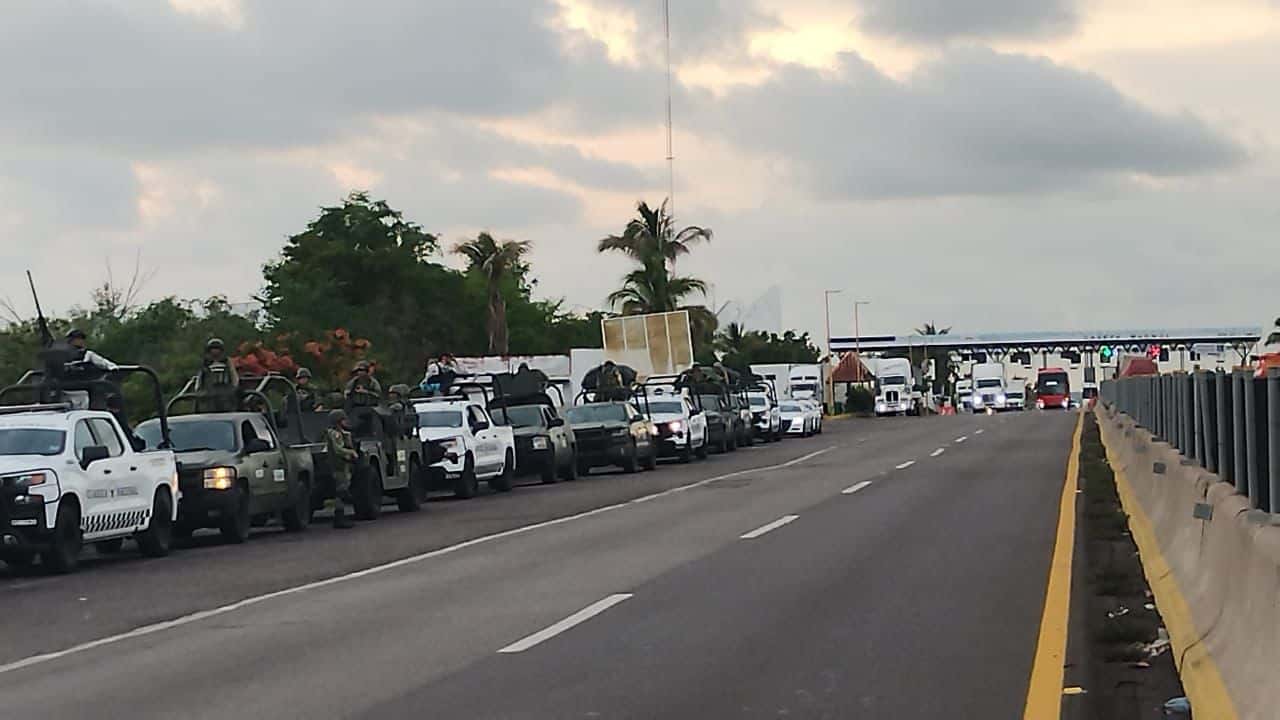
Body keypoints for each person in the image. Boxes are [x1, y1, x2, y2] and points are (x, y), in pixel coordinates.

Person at [324, 410, 358, 530]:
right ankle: (339, 518)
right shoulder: (335, 434)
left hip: (342, 466)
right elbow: (338, 449)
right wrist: (351, 452)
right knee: (341, 492)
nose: (345, 422)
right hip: (338, 466)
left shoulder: (340, 433)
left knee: (342, 491)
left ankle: (340, 517)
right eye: (343, 420)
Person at [194, 338, 240, 412]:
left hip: (225, 392)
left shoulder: (227, 362)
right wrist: (199, 390)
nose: (215, 351)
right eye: (213, 348)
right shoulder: (206, 363)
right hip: (209, 393)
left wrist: (234, 388)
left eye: (217, 348)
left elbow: (234, 376)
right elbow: (200, 377)